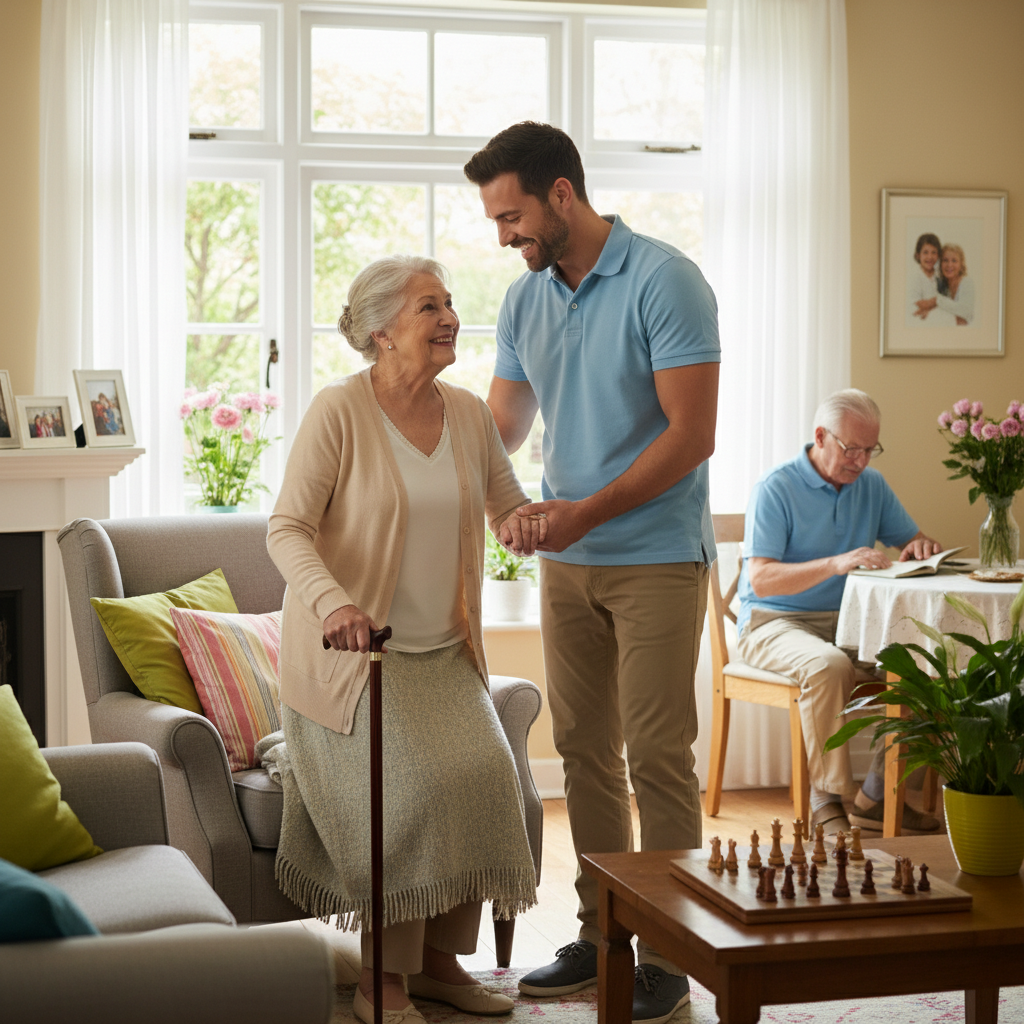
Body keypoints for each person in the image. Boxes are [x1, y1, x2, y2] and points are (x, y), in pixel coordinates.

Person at [464, 122, 720, 1024]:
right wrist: (460, 480)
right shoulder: (526, 299)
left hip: (652, 555)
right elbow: (501, 427)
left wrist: (580, 514)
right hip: (566, 562)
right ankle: (604, 930)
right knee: (581, 755)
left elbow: (692, 436)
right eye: (497, 221)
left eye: (512, 216)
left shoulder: (665, 279)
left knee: (657, 755)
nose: (504, 236)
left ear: (561, 196)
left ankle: (672, 952)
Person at [267, 255, 540, 1024]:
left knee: (486, 777)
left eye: (449, 302)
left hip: (444, 654)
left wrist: (523, 525)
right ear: (383, 332)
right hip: (353, 665)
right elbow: (286, 528)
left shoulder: (468, 413)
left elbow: (505, 503)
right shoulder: (339, 411)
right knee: (412, 790)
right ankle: (379, 979)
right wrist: (332, 603)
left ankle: (441, 964)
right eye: (430, 306)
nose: (450, 316)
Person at [736, 389, 943, 836]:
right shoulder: (776, 488)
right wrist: (837, 562)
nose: (862, 462)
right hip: (773, 623)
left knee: (923, 667)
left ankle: (877, 796)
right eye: (852, 449)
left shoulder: (872, 486)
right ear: (820, 437)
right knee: (827, 666)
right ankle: (826, 798)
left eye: (871, 450)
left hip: (851, 624)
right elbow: (762, 580)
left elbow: (912, 542)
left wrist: (918, 547)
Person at [915, 243, 974, 326]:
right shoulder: (941, 285)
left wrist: (936, 301)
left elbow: (966, 313)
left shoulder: (967, 283)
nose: (949, 265)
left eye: (954, 261)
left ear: (961, 264)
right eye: (945, 260)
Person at [907, 232, 941, 324]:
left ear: (938, 255)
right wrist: (942, 301)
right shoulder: (914, 277)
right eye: (925, 252)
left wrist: (929, 307)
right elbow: (921, 304)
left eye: (934, 252)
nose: (930, 257)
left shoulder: (940, 275)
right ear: (918, 255)